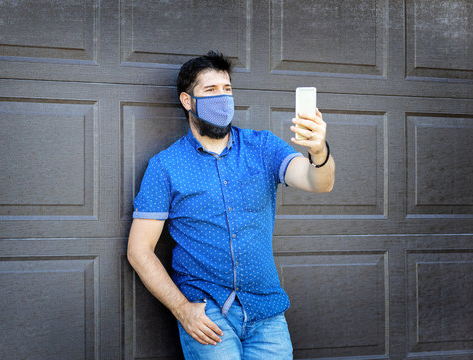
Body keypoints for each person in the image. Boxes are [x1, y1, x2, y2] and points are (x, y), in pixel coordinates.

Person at [127, 50, 335, 359]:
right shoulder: (165, 166)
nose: (223, 98)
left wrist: (319, 151)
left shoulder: (263, 147)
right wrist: (183, 310)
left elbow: (320, 182)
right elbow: (139, 251)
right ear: (187, 101)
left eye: (227, 89)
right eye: (211, 91)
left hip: (266, 310)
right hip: (207, 314)